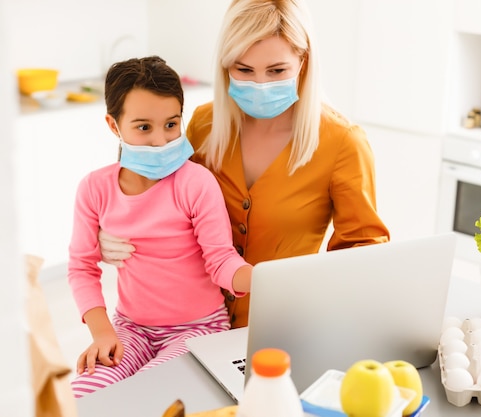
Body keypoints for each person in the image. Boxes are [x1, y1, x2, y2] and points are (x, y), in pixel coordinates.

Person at [98, 0, 390, 329]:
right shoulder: (204, 123)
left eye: (277, 71)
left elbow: (363, 253)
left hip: (282, 324)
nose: (261, 84)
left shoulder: (343, 143)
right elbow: (160, 196)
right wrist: (111, 230)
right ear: (225, 66)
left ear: (303, 62)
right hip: (190, 321)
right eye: (244, 70)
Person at [68, 56, 252, 398]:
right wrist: (103, 333)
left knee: (148, 395)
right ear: (113, 125)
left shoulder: (196, 183)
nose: (160, 140)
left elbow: (221, 261)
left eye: (171, 124)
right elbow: (81, 267)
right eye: (143, 127)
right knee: (82, 397)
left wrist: (268, 280)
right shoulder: (95, 188)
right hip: (130, 329)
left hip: (199, 329)